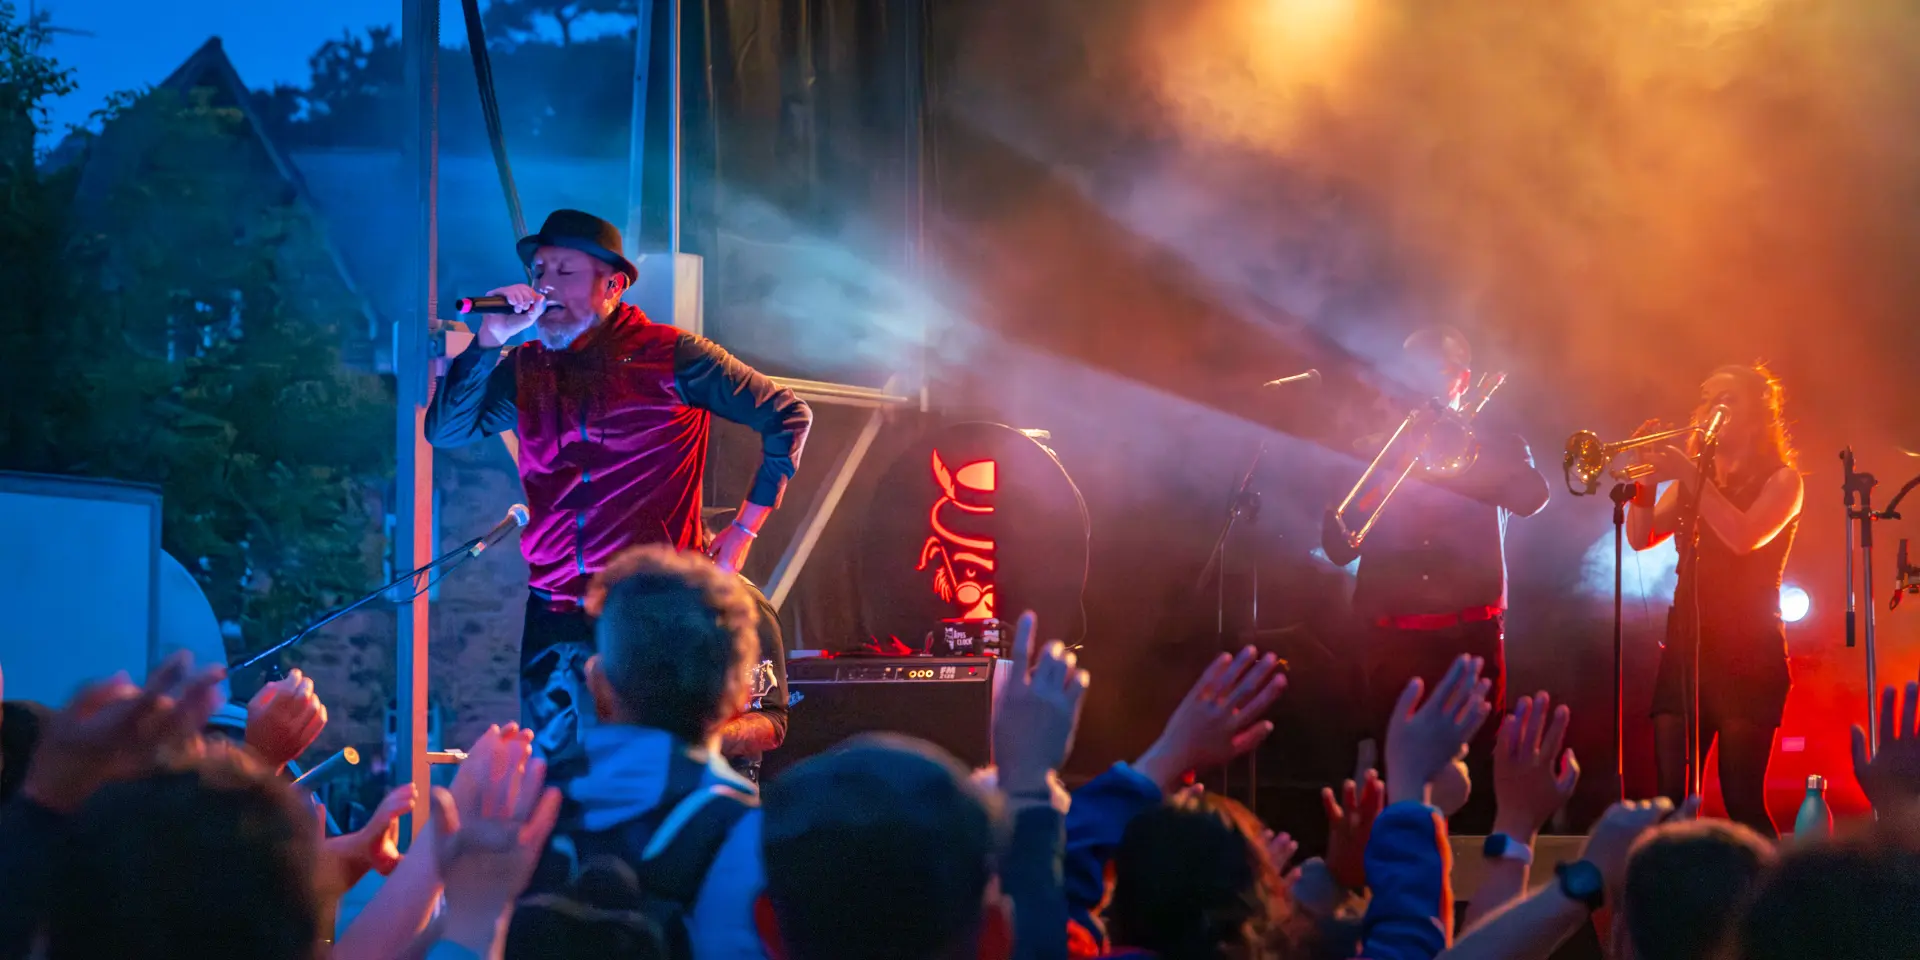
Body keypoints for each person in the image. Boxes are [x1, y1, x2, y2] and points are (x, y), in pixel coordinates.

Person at [425, 209, 812, 773]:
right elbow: (446, 430)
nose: (545, 284)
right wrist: (488, 341)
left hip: (647, 609)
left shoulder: (673, 355)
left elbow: (788, 415)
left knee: (645, 771)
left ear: (612, 284)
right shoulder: (527, 366)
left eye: (565, 271)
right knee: (560, 782)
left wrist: (744, 530)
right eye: (539, 271)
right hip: (555, 609)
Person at [1323, 325, 1550, 831]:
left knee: (1476, 769)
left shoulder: (1500, 442)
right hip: (1393, 636)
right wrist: (1384, 455)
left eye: (1434, 372)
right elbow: (1339, 546)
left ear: (1461, 379)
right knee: (1390, 768)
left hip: (1468, 635)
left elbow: (1533, 498)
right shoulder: (1376, 448)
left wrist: (1470, 448)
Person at [1627, 362, 1802, 838]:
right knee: (1672, 800)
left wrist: (1685, 470)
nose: (1714, 408)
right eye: (1708, 398)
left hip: (1749, 650)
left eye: (1729, 399)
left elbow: (1742, 537)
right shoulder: (1691, 482)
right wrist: (1645, 481)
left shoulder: (1784, 481)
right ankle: (1677, 908)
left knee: (1741, 796)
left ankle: (1773, 907)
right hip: (1686, 644)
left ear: (1757, 415)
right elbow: (1641, 537)